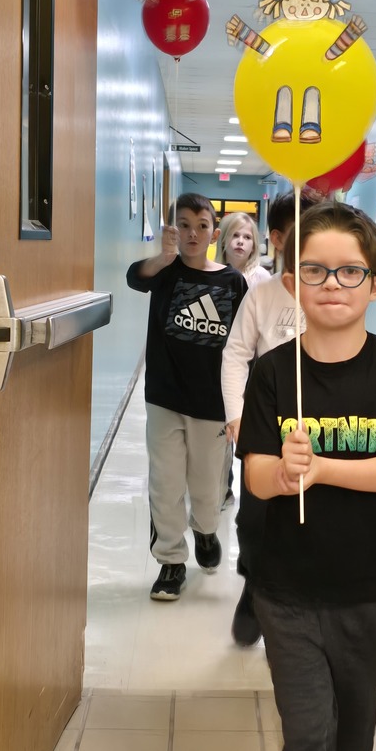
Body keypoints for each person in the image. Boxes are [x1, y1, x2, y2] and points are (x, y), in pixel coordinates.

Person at [237, 201, 376, 751]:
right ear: (290, 282)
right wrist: (286, 472)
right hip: (285, 591)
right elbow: (259, 477)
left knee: (355, 722)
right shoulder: (272, 374)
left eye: (350, 273)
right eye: (314, 270)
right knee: (309, 735)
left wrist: (320, 469)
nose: (332, 285)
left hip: (367, 588)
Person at [127, 192, 247, 601]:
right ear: (173, 230)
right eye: (183, 224)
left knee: (207, 487)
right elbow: (134, 277)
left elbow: (244, 342)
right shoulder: (166, 272)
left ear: (215, 232)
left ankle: (206, 531)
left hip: (213, 404)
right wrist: (162, 257)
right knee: (165, 482)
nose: (192, 232)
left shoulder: (232, 282)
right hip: (164, 397)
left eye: (201, 225)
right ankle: (171, 561)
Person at [221, 192, 313, 644]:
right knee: (255, 517)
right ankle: (254, 584)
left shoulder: (332, 295)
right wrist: (236, 417)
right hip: (263, 424)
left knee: (308, 516)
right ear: (278, 240)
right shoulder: (261, 296)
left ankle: (299, 601)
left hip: (318, 431)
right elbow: (236, 356)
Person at [215, 211, 270, 288]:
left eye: (247, 237)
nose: (240, 241)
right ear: (223, 241)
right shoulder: (213, 276)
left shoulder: (262, 277)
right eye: (235, 235)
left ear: (253, 247)